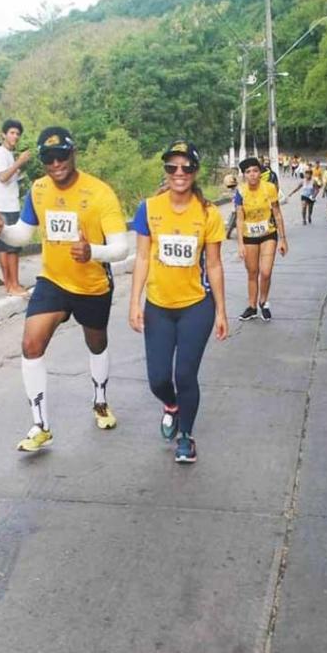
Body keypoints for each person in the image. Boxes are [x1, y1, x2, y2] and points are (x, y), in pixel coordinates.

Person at [0, 127, 130, 451]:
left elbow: (121, 247)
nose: (55, 164)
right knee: (30, 343)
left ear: (73, 153)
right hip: (53, 281)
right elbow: (22, 235)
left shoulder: (99, 192)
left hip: (92, 284)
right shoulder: (37, 190)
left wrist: (92, 251)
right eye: (48, 159)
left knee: (96, 343)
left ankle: (100, 400)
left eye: (61, 156)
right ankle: (40, 425)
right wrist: (2, 232)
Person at [129, 140, 228, 464]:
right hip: (158, 305)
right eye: (172, 167)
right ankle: (171, 405)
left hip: (196, 306)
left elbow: (213, 264)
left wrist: (222, 312)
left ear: (195, 171)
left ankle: (186, 435)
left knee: (185, 374)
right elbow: (142, 256)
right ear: (166, 171)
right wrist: (134, 303)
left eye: (186, 167)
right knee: (159, 378)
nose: (179, 172)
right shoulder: (149, 209)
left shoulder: (209, 213)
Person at [235, 156, 288, 321]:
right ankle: (251, 307)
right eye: (248, 172)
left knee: (265, 272)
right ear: (244, 175)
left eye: (255, 171)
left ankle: (263, 302)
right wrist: (240, 244)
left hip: (268, 235)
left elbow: (277, 214)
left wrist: (283, 239)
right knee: (252, 272)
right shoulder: (241, 191)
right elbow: (239, 218)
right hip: (249, 236)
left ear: (260, 172)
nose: (252, 175)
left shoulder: (269, 188)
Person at [0, 119, 32, 296]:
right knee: (11, 248)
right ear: (4, 135)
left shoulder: (8, 154)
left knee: (6, 248)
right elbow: (2, 177)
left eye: (17, 134)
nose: (15, 136)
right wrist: (19, 162)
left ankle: (11, 284)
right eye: (12, 133)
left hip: (8, 204)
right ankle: (12, 285)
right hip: (4, 206)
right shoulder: (0, 153)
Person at [223, 172, 240, 239]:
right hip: (235, 207)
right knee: (231, 218)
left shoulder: (239, 188)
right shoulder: (233, 189)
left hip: (240, 205)